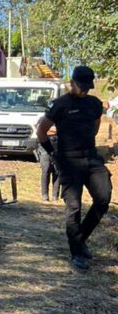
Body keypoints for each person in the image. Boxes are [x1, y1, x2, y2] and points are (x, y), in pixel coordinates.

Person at [37, 65, 112, 271]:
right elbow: (41, 130)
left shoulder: (94, 104)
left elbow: (96, 127)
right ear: (72, 83)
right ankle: (76, 252)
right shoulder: (60, 104)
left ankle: (81, 239)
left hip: (91, 157)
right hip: (68, 161)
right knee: (74, 207)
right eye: (82, 86)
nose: (85, 90)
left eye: (88, 87)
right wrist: (51, 153)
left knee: (104, 198)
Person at [35, 135, 61, 202]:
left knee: (56, 172)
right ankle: (45, 196)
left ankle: (55, 196)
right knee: (45, 171)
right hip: (44, 144)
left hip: (57, 144)